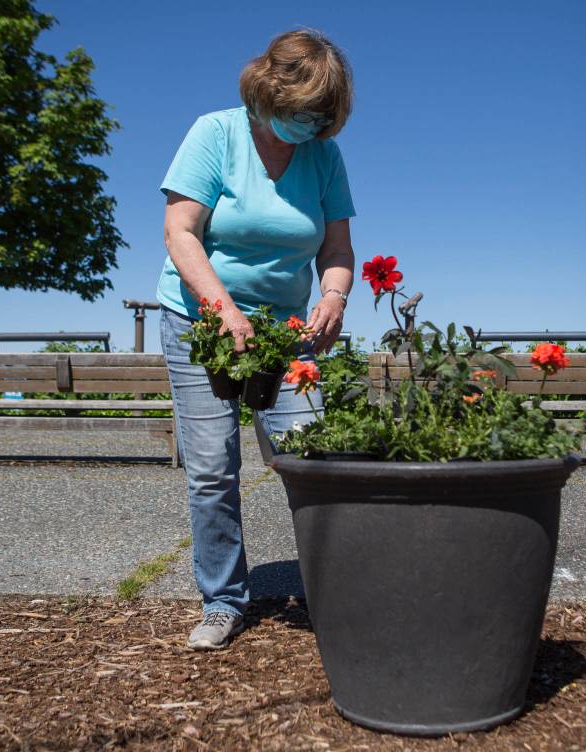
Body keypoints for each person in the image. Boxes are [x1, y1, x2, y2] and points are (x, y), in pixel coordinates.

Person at [157, 30, 356, 649]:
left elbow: (337, 248)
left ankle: (337, 590)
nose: (311, 127)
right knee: (214, 466)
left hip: (285, 333)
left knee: (312, 456)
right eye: (302, 114)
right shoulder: (215, 134)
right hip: (201, 322)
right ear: (269, 92)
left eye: (322, 117)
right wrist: (222, 311)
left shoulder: (323, 156)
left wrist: (332, 297)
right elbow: (180, 231)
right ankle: (223, 600)